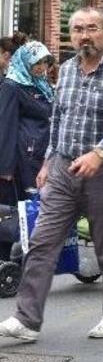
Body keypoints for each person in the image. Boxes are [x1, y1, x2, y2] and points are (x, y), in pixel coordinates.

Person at [0, 7, 103, 342]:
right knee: (42, 242)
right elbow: (58, 119)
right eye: (77, 29)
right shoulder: (66, 71)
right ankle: (27, 319)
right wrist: (48, 161)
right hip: (63, 168)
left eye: (91, 28)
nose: (84, 35)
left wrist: (99, 153)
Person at [0, 42, 54, 261]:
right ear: (25, 61)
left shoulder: (40, 85)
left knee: (31, 209)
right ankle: (4, 261)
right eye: (36, 62)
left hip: (39, 156)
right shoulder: (12, 86)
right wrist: (5, 167)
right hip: (22, 158)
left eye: (44, 62)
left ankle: (26, 258)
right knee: (13, 209)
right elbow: (5, 125)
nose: (42, 67)